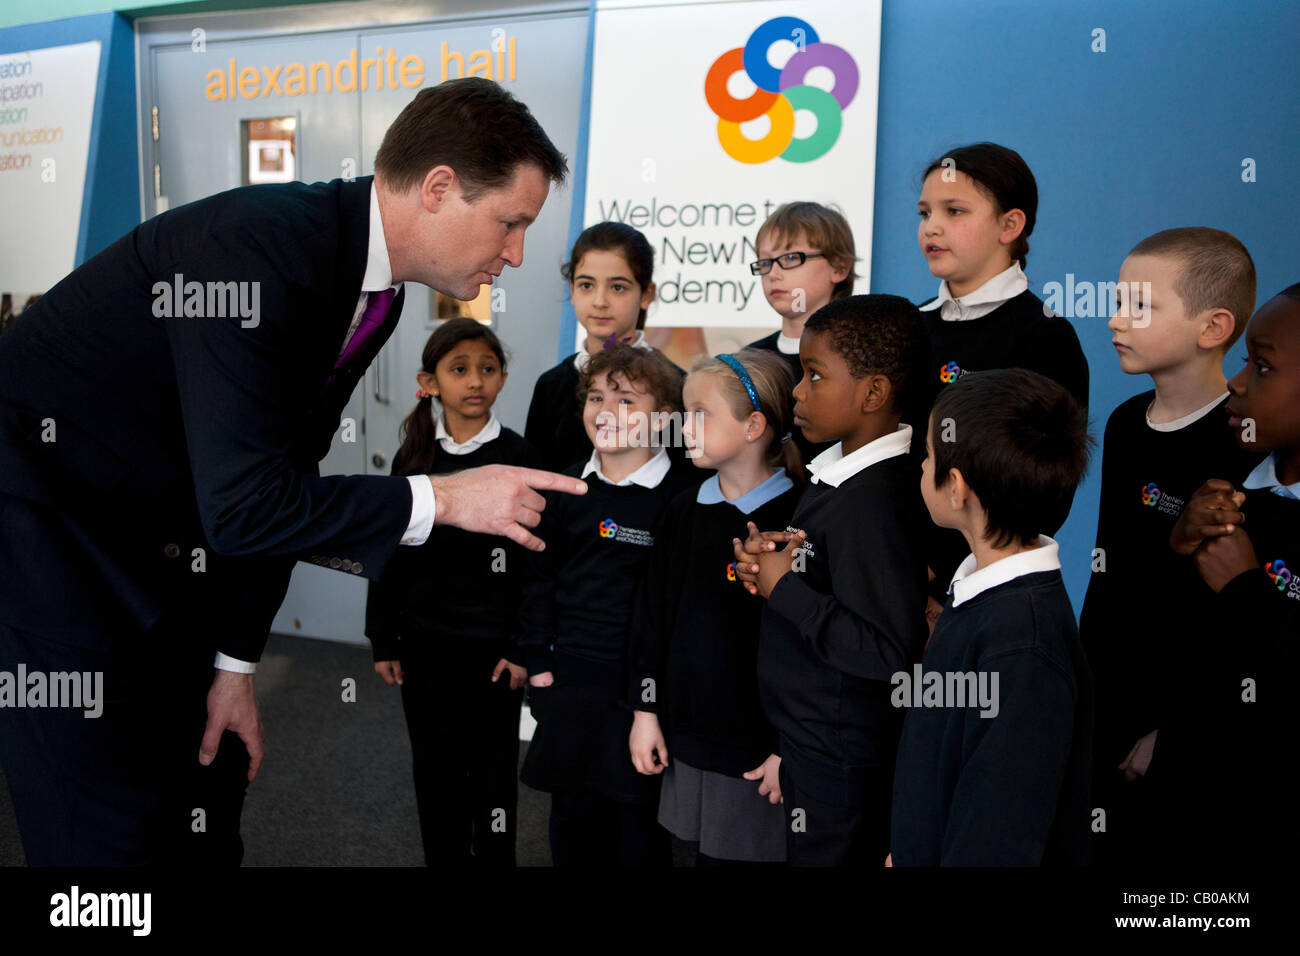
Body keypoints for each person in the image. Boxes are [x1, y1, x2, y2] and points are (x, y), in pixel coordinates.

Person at [0, 77, 587, 866]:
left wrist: (237, 664)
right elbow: (247, 506)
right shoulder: (250, 249)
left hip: (168, 543)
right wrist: (440, 498)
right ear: (440, 189)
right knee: (103, 824)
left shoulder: (367, 292)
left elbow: (279, 480)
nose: (516, 253)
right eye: (510, 224)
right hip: (43, 537)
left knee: (208, 785)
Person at [1078, 227, 1261, 867]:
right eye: (1117, 300)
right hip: (1106, 697)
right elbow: (1112, 570)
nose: (1116, 319)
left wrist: (1178, 731)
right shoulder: (1127, 423)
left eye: (1139, 305)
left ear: (1213, 327)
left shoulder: (1245, 442)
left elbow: (1234, 617)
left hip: (1181, 724)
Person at [740, 295, 930, 867]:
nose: (796, 391)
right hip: (813, 740)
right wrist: (778, 565)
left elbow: (886, 650)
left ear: (873, 393)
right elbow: (836, 583)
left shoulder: (876, 502)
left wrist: (786, 589)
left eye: (814, 376)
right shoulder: (837, 480)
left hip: (841, 755)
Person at [890, 368, 1094, 866]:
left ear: (956, 487)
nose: (921, 466)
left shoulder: (1022, 649)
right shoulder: (982, 596)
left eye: (929, 457)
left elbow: (999, 834)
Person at [518, 345, 700, 866]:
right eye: (596, 397)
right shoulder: (564, 489)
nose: (605, 411)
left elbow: (678, 611)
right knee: (572, 821)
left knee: (638, 827)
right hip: (571, 683)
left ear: (664, 418)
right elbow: (537, 582)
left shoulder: (684, 498)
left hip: (640, 694)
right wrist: (540, 666)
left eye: (625, 400)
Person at [365, 318, 537, 866]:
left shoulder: (519, 456)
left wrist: (521, 645)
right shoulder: (413, 457)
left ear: (504, 379)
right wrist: (382, 638)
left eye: (487, 369)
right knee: (435, 770)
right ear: (430, 381)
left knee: (491, 779)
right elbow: (387, 553)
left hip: (493, 652)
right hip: (424, 646)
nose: (475, 381)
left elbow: (536, 560)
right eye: (459, 369)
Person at [627, 348, 802, 866]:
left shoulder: (798, 516)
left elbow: (805, 649)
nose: (686, 426)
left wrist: (785, 746)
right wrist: (645, 710)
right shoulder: (681, 511)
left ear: (753, 426)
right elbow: (651, 618)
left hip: (757, 748)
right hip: (688, 734)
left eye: (700, 414)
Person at [913, 142, 1089, 623]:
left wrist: (947, 574)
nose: (932, 226)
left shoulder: (1044, 336)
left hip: (978, 589)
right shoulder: (909, 326)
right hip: (893, 577)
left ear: (1010, 225)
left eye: (954, 211)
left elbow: (1043, 485)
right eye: (925, 212)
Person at [1166, 284, 1300, 866]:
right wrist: (1178, 546)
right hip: (1193, 809)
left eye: (1263, 366)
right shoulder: (1228, 483)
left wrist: (1246, 589)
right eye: (1246, 360)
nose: (1237, 382)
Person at [526, 222, 678, 472]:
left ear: (646, 294)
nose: (599, 302)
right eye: (587, 285)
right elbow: (537, 475)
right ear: (572, 290)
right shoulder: (550, 386)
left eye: (617, 287)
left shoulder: (675, 385)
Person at [745, 201, 858, 465]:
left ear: (839, 267)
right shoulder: (748, 360)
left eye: (790, 258)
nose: (773, 273)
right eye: (765, 262)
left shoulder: (860, 357)